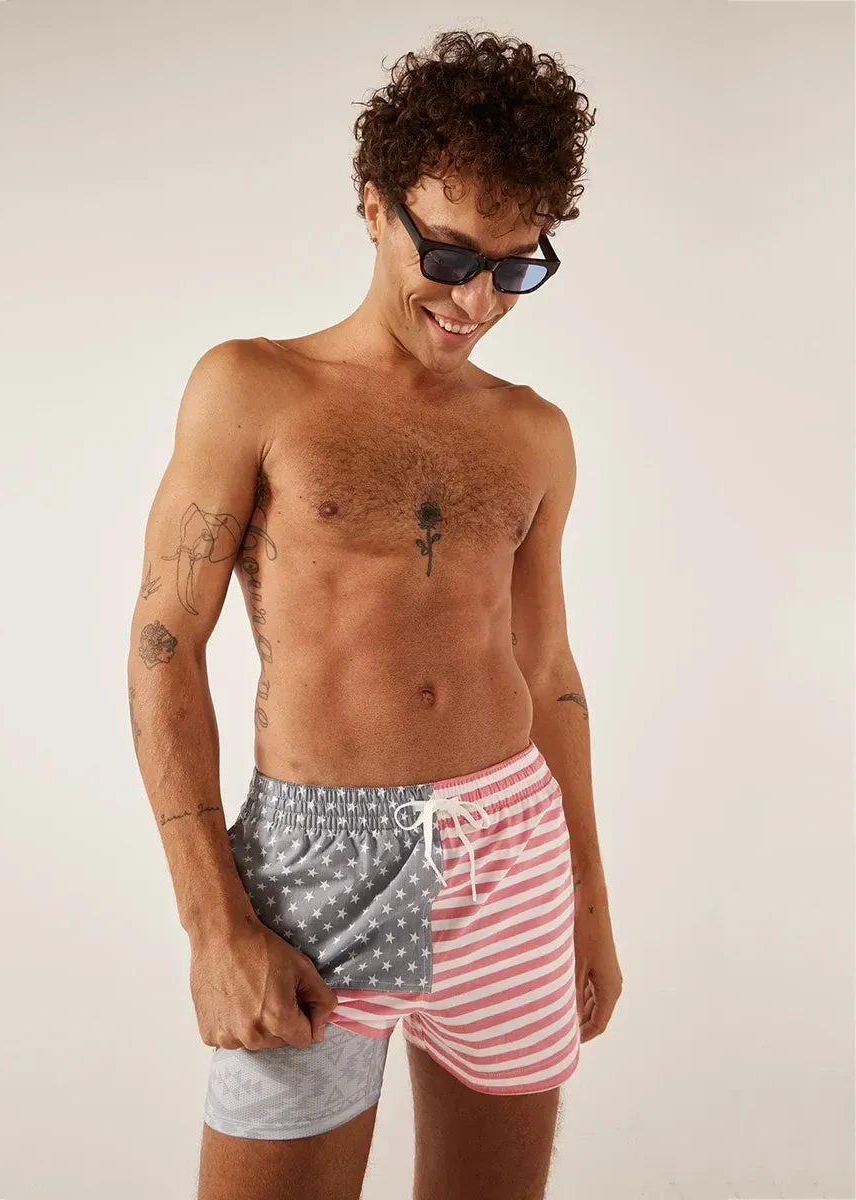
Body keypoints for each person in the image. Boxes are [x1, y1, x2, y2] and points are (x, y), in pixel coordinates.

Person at [127, 28, 621, 1200]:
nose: (475, 299)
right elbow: (163, 648)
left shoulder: (535, 431)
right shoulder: (254, 388)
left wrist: (588, 902)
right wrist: (212, 927)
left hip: (515, 849)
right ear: (371, 205)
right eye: (446, 254)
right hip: (318, 861)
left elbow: (548, 667)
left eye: (515, 268)